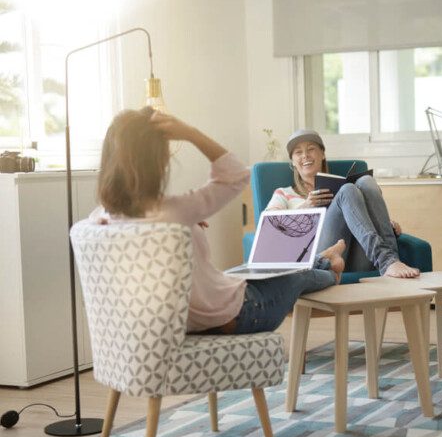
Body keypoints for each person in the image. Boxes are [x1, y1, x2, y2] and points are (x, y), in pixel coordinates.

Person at [90, 107, 345, 335]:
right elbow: (236, 175)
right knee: (294, 276)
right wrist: (190, 133)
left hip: (176, 321)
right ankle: (332, 270)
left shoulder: (98, 222)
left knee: (242, 273)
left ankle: (322, 258)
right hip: (236, 316)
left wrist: (187, 224)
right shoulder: (177, 212)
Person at [264, 129, 420, 278]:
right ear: (292, 162)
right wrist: (305, 207)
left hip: (359, 257)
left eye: (311, 149)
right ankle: (388, 261)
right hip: (323, 259)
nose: (305, 155)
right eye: (298, 152)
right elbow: (269, 226)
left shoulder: (340, 187)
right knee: (347, 190)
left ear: (322, 154)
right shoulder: (283, 193)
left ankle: (391, 261)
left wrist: (386, 224)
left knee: (366, 181)